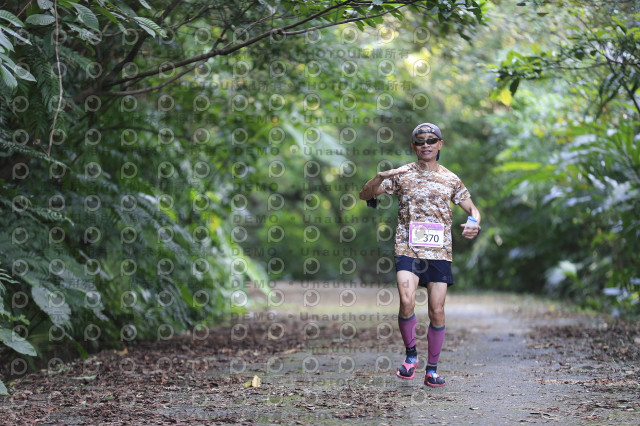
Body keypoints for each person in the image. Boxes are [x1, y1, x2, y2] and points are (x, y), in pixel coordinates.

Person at [358, 122, 481, 387]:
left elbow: (473, 210)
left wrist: (474, 223)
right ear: (414, 146)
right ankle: (411, 355)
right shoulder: (401, 174)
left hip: (440, 252)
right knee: (406, 300)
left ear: (440, 144)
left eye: (431, 140)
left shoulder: (451, 179)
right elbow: (364, 194)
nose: (426, 145)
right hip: (407, 248)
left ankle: (432, 370)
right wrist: (380, 177)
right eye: (420, 141)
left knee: (437, 310)